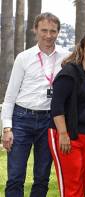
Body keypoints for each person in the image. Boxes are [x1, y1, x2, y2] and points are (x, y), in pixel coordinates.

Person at [0, 12, 69, 197]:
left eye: (53, 31)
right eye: (44, 30)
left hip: (49, 121)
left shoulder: (66, 58)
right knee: (15, 176)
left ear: (58, 32)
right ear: (35, 30)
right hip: (22, 119)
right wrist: (7, 128)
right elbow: (10, 97)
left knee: (42, 177)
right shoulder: (23, 57)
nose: (48, 35)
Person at [48, 33, 85, 197]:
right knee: (72, 187)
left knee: (83, 183)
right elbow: (56, 106)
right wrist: (63, 134)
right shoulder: (70, 72)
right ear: (81, 50)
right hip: (68, 135)